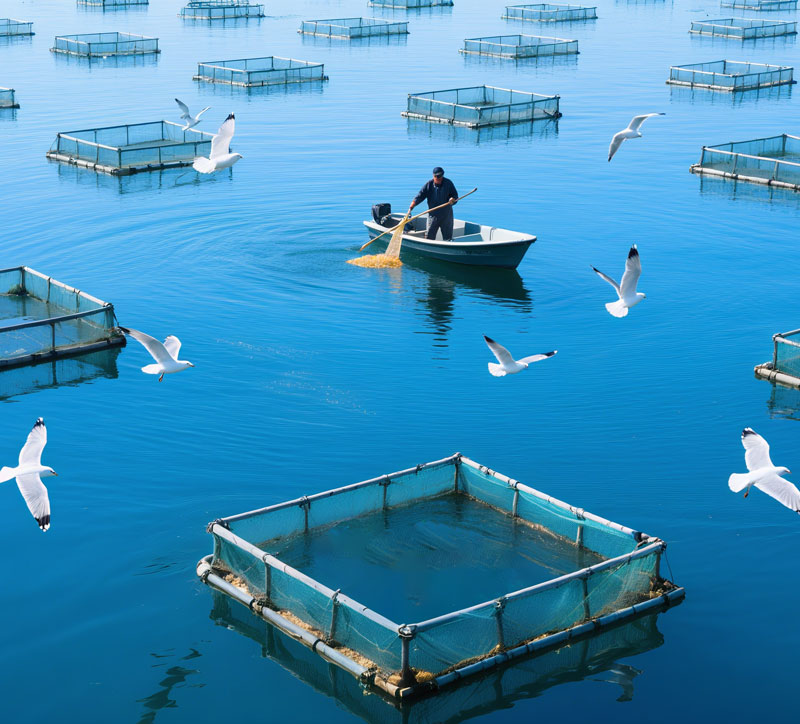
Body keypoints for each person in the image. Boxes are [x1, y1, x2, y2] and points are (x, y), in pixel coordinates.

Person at [409, 167, 458, 241]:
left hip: (446, 216)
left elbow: (455, 196)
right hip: (433, 215)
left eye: (440, 176)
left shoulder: (448, 183)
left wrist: (453, 200)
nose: (438, 178)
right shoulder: (429, 185)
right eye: (437, 176)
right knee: (429, 236)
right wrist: (412, 205)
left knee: (448, 238)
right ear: (433, 176)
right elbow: (420, 196)